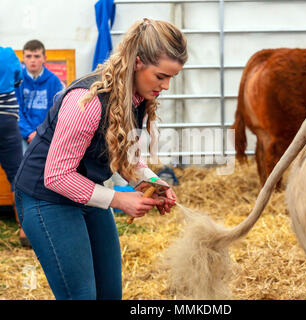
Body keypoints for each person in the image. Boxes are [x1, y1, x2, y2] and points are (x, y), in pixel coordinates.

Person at [14, 18, 187, 300]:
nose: (166, 86)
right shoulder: (88, 100)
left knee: (110, 293)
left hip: (85, 192)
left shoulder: (136, 98)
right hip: (46, 197)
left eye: (171, 78)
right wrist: (119, 199)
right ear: (138, 62)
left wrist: (151, 183)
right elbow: (56, 176)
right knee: (82, 296)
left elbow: (128, 158)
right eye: (160, 76)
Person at [0, 46, 31, 247]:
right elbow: (18, 81)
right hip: (6, 121)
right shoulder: (8, 54)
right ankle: (25, 230)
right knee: (16, 174)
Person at [15, 39, 63, 152]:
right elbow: (16, 110)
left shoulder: (54, 81)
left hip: (46, 134)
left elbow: (56, 111)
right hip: (23, 134)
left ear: (44, 58)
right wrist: (29, 133)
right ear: (23, 58)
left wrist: (41, 133)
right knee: (22, 164)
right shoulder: (17, 80)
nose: (32, 60)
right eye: (28, 56)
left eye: (36, 56)